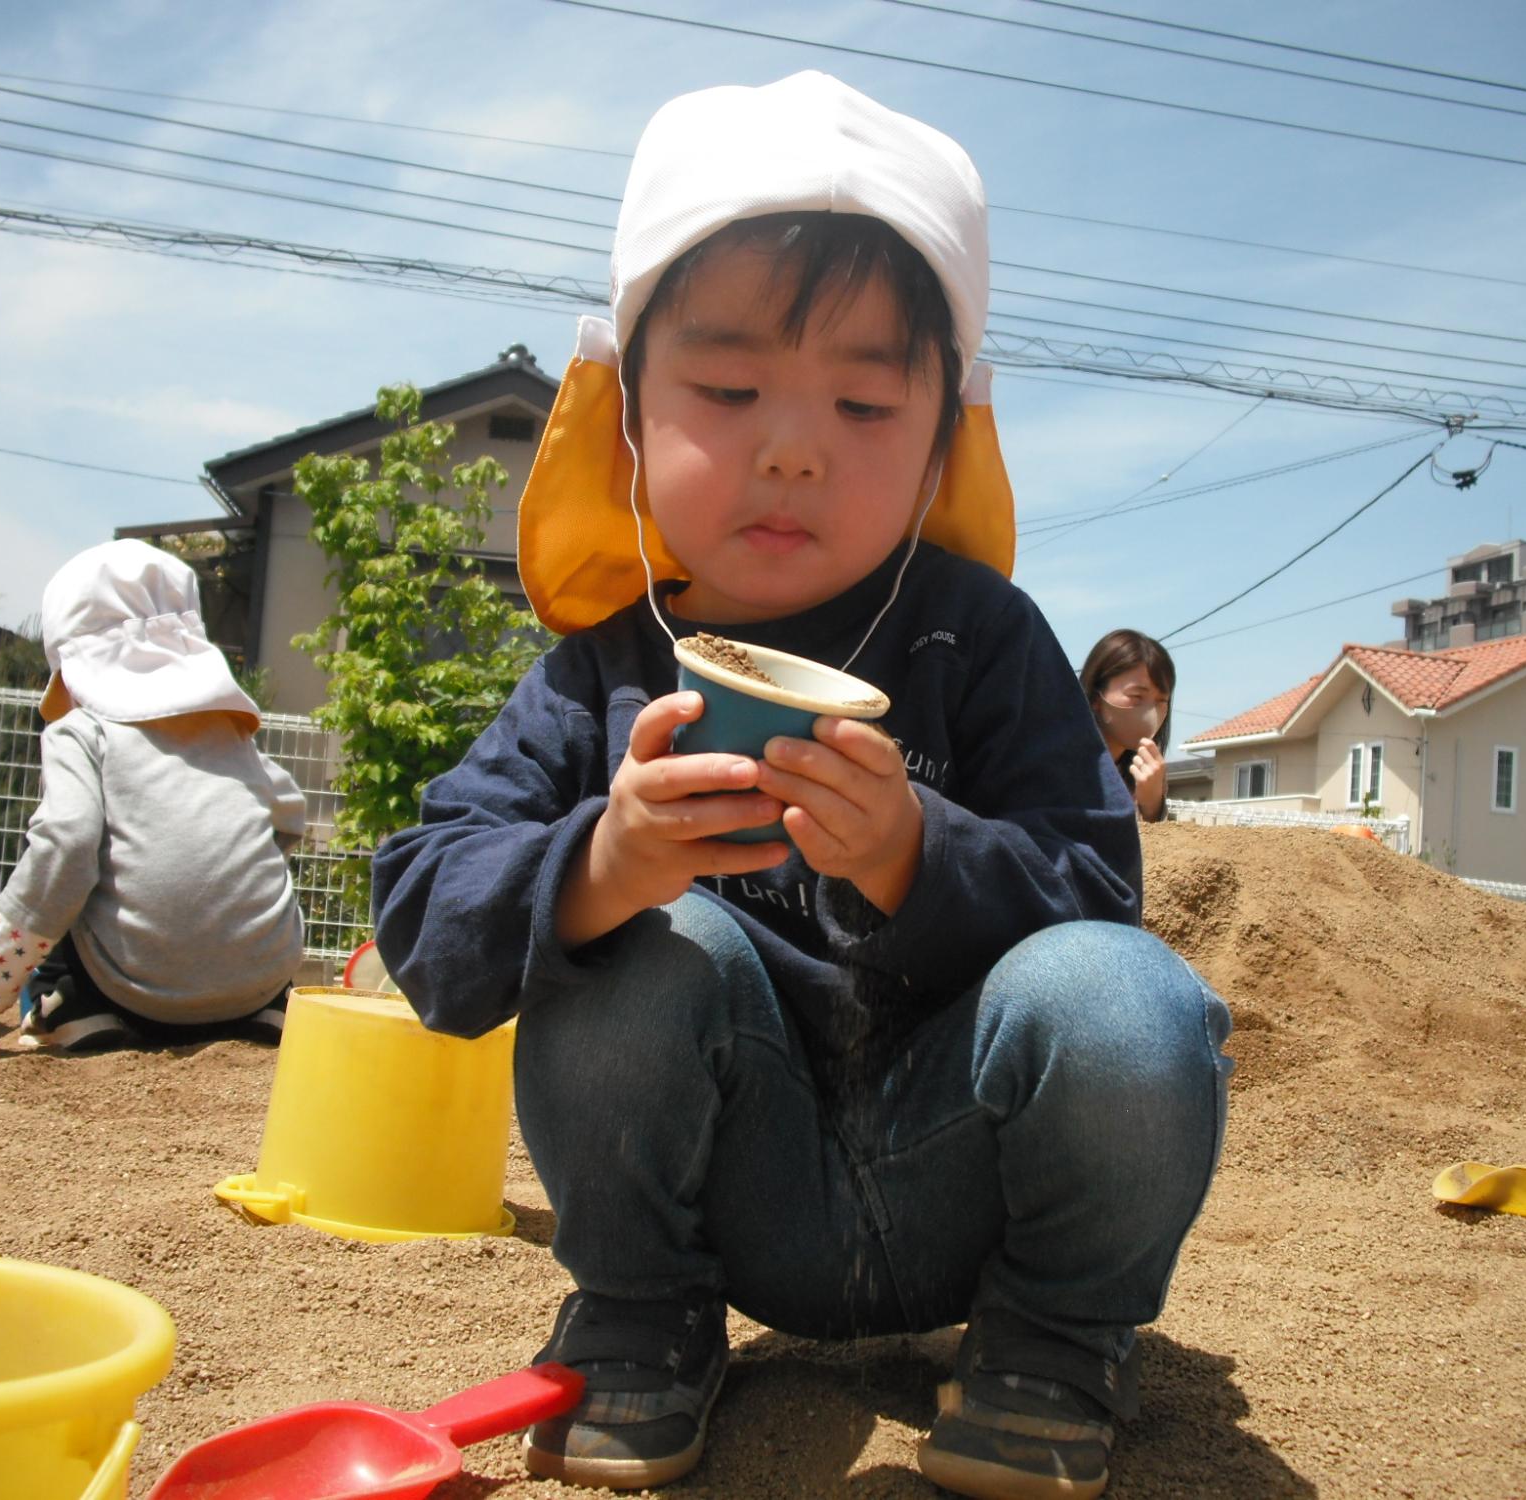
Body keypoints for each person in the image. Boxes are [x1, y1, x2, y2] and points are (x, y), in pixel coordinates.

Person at [369, 74, 1232, 1500]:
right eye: (725, 387)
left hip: (965, 1178)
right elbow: (426, 910)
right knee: (656, 941)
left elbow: (1098, 888)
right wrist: (603, 867)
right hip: (731, 1199)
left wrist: (915, 851)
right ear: (629, 412)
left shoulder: (984, 640)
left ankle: (1055, 1342)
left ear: (944, 440)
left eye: (863, 399)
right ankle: (644, 1317)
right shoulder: (606, 667)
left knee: (1126, 996)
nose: (791, 444)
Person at [0, 539, 306, 1051]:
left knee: (62, 855)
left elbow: (64, 845)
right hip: (259, 983)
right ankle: (265, 1009)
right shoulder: (229, 736)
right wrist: (223, 875)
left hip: (134, 991)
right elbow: (290, 815)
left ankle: (76, 1011)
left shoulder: (83, 732)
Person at [1079, 630, 1175, 824]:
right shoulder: (1060, 765)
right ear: (1097, 698)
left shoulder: (1148, 776)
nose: (1150, 713)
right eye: (1136, 696)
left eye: (1161, 701)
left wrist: (1152, 805)